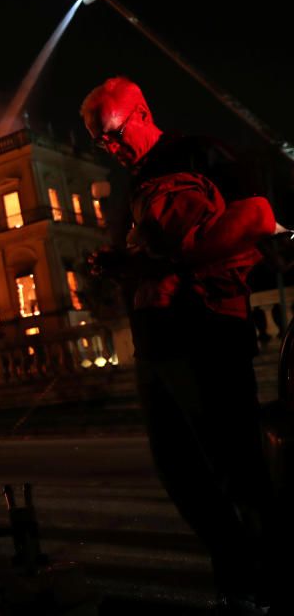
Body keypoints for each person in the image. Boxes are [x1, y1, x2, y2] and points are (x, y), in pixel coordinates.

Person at [81, 76, 280, 614]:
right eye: (102, 143)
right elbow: (151, 251)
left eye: (115, 135)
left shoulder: (199, 152)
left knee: (237, 467)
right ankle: (238, 581)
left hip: (208, 330)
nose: (112, 149)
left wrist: (159, 261)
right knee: (182, 474)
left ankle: (269, 582)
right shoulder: (135, 179)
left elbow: (258, 218)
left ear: (143, 111)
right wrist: (117, 264)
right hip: (157, 344)